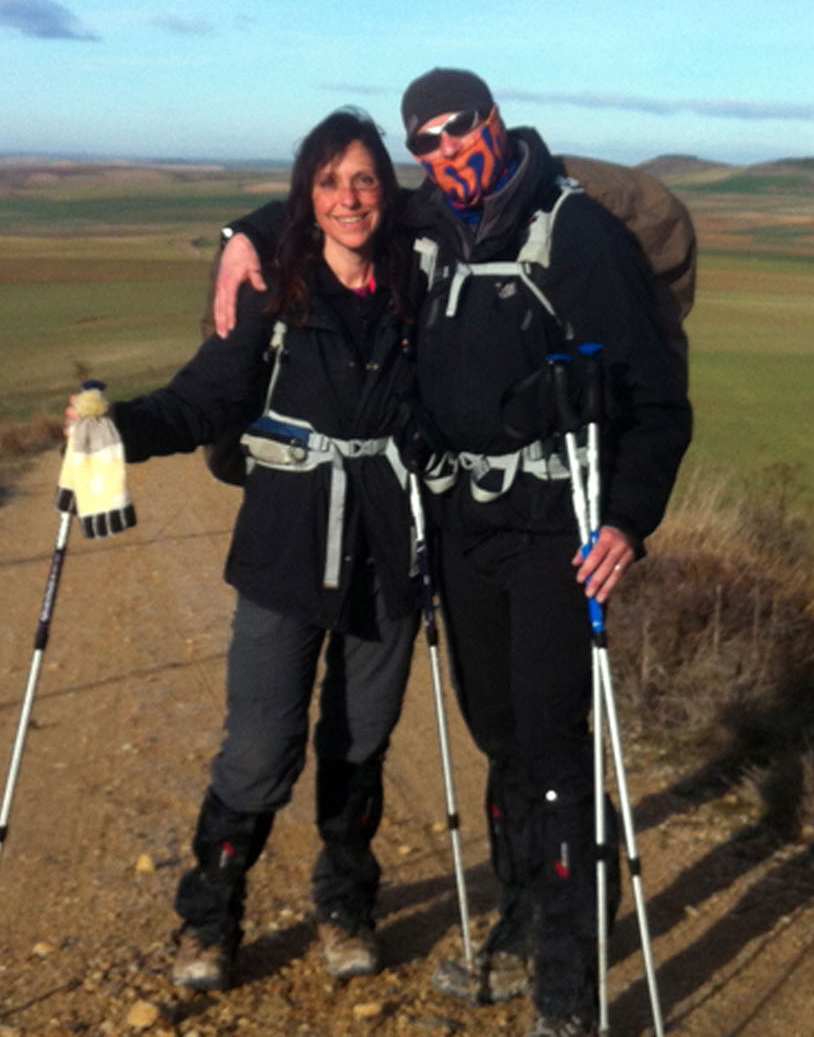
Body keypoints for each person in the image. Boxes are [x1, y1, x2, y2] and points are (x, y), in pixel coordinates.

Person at [217, 68, 692, 1037]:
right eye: (424, 141)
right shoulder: (428, 225)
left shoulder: (579, 237)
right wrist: (244, 236)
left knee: (556, 752)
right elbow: (330, 209)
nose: (445, 152)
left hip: (558, 530)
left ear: (496, 121)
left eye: (458, 130)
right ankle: (522, 925)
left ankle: (568, 982)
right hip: (462, 529)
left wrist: (630, 519)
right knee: (501, 734)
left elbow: (656, 398)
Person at [81, 107, 421, 993]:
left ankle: (345, 904)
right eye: (329, 181)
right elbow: (199, 404)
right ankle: (210, 919)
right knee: (260, 748)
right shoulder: (273, 299)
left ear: (387, 190)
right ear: (306, 195)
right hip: (284, 551)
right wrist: (114, 431)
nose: (350, 198)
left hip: (389, 552)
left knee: (361, 742)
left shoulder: (421, 284)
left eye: (365, 180)